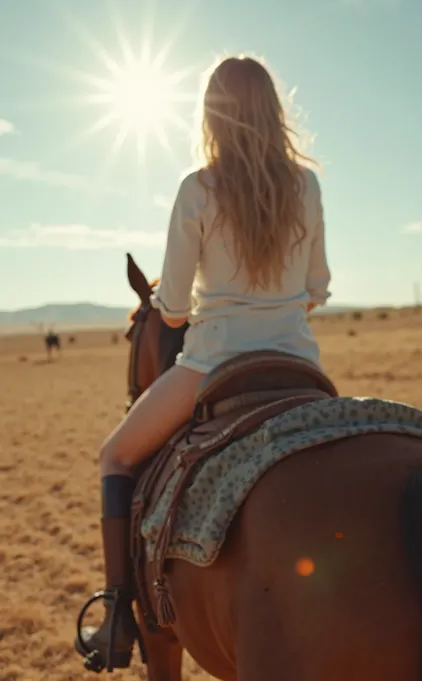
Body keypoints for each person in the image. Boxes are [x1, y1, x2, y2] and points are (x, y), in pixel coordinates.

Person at [75, 54, 331, 670]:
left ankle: (116, 614)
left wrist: (176, 304)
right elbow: (318, 289)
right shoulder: (307, 185)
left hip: (212, 365)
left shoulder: (199, 187)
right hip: (300, 368)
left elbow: (168, 309)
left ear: (212, 114)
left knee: (115, 454)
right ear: (274, 110)